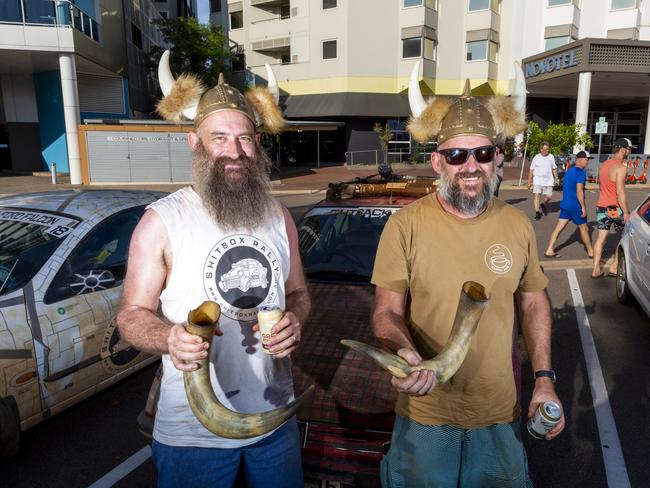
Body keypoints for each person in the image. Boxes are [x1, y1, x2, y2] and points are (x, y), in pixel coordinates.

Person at [116, 52, 310, 488]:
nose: (234, 151)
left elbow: (298, 295)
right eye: (219, 138)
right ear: (195, 142)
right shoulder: (162, 221)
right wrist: (169, 338)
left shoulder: (279, 217)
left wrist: (296, 320)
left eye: (244, 138)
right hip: (192, 431)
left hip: (273, 420)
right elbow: (130, 315)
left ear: (257, 143)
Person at [372, 77, 565, 487]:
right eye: (457, 154)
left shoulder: (517, 225)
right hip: (425, 413)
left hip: (497, 412)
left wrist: (544, 381)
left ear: (497, 158)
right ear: (438, 161)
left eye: (481, 153)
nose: (470, 166)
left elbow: (534, 303)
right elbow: (386, 312)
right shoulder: (405, 225)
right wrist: (405, 353)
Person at [591, 137, 633, 278]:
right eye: (628, 149)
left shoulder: (602, 165)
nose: (629, 151)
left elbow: (602, 186)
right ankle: (614, 267)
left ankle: (596, 269)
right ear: (622, 149)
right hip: (615, 208)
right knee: (625, 236)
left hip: (601, 207)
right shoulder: (621, 168)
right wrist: (626, 212)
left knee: (601, 238)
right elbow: (620, 192)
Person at [544, 150, 594, 259]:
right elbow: (579, 191)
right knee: (584, 229)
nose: (588, 162)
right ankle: (591, 252)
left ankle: (549, 250)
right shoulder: (580, 173)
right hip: (575, 206)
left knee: (558, 228)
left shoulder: (569, 171)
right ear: (579, 160)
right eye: (587, 160)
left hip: (565, 205)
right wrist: (583, 207)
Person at [527, 142, 558, 220]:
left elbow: (554, 168)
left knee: (549, 197)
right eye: (546, 149)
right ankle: (537, 212)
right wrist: (529, 182)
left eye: (548, 149)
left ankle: (543, 204)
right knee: (537, 195)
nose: (547, 151)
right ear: (541, 149)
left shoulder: (551, 157)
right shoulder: (536, 158)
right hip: (538, 180)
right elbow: (531, 170)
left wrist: (556, 178)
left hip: (548, 181)